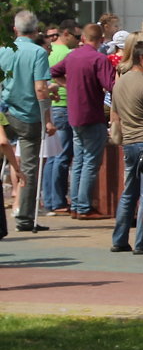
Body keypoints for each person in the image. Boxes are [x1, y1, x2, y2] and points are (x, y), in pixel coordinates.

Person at [49, 23, 115, 219]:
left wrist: (68, 84)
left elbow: (53, 71)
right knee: (90, 162)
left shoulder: (73, 56)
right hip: (92, 114)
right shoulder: (98, 58)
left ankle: (77, 205)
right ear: (101, 40)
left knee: (79, 160)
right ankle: (84, 206)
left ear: (84, 38)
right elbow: (110, 85)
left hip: (74, 114)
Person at [0, 10, 57, 233]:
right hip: (29, 114)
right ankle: (25, 217)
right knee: (30, 166)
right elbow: (40, 89)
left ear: (15, 30)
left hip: (6, 112)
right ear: (35, 30)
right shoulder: (37, 53)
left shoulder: (4, 50)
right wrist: (47, 119)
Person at [110, 40, 143, 254]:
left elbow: (115, 116)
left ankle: (119, 238)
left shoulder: (120, 83)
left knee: (128, 192)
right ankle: (142, 241)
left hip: (129, 142)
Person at [42, 20, 80, 214]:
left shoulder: (50, 52)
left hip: (54, 107)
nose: (79, 41)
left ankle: (49, 198)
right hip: (63, 106)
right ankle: (57, 201)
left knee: (53, 156)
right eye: (77, 36)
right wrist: (68, 86)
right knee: (62, 156)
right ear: (67, 34)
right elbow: (54, 75)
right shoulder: (65, 54)